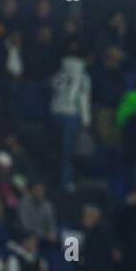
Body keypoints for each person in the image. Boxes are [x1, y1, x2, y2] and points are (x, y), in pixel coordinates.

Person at [49, 41, 92, 190]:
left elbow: (53, 87)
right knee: (68, 152)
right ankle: (66, 182)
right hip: (71, 116)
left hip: (54, 114)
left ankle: (53, 179)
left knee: (56, 149)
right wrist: (86, 121)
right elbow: (82, 99)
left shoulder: (60, 72)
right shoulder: (83, 76)